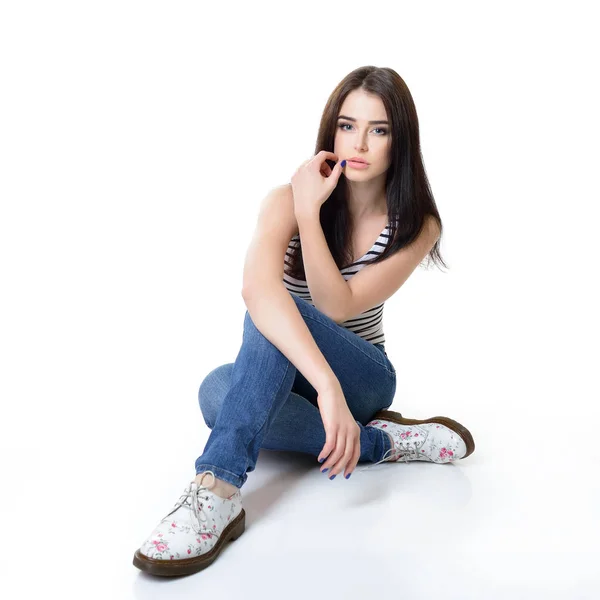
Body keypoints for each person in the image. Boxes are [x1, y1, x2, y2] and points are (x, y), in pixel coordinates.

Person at [132, 65, 476, 577]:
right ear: (330, 131)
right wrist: (300, 205)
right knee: (216, 390)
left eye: (378, 130)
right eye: (347, 125)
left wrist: (311, 216)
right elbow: (255, 290)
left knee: (273, 313)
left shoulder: (416, 224)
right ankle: (382, 443)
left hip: (361, 380)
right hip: (305, 377)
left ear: (399, 141)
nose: (358, 143)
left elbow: (335, 306)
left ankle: (218, 488)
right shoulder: (280, 201)